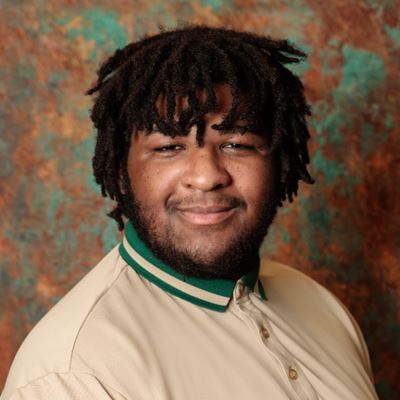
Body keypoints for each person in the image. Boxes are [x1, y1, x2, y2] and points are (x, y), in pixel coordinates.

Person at [1, 26, 378, 400]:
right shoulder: (72, 375)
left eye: (236, 144)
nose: (206, 177)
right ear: (121, 172)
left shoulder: (322, 308)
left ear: (277, 162)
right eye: (168, 147)